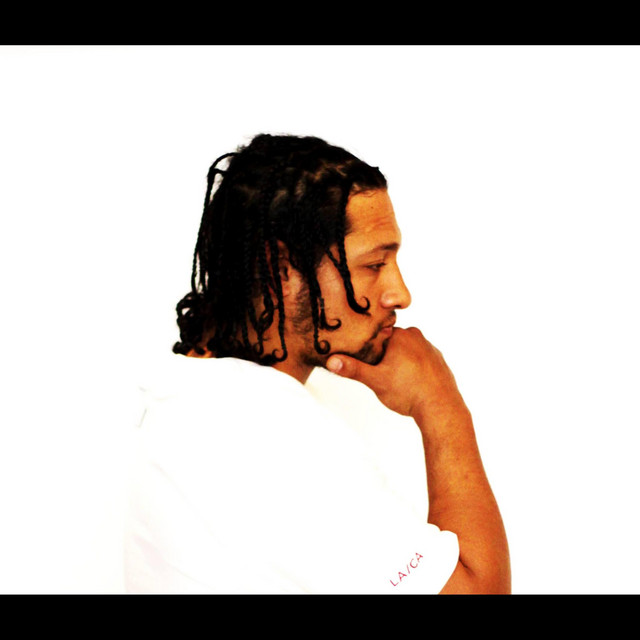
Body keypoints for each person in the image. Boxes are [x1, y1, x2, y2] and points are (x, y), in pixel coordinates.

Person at [124, 134, 510, 594]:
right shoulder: (271, 435)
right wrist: (441, 405)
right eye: (374, 265)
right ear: (281, 271)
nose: (399, 294)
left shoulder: (188, 397)